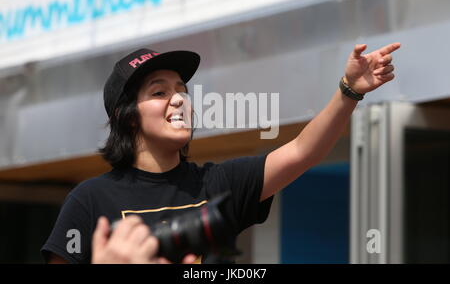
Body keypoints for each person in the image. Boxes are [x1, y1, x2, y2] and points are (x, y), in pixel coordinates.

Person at [41, 43, 401, 264]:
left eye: (182, 89)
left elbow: (302, 152)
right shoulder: (88, 201)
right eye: (159, 92)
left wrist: (349, 91)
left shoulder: (219, 183)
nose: (179, 99)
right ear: (127, 117)